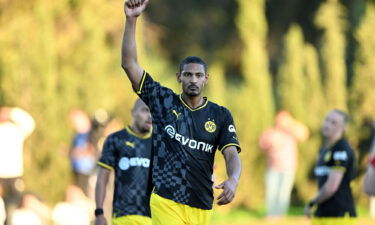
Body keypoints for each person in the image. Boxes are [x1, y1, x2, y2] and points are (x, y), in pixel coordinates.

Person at [121, 1, 242, 224]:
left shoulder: (220, 115)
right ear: (179, 77)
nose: (193, 80)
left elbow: (232, 154)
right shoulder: (163, 101)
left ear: (206, 79)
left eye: (198, 75)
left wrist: (233, 179)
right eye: (188, 75)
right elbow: (129, 64)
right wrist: (131, 20)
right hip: (165, 201)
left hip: (201, 205)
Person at [94, 99, 153, 225]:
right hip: (123, 216)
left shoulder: (159, 144)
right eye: (145, 110)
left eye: (153, 111)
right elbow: (102, 177)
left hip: (153, 218)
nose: (150, 116)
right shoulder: (116, 140)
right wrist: (99, 213)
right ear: (133, 112)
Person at [305, 109, 356, 225]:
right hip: (322, 213)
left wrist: (312, 203)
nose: (328, 125)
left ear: (343, 129)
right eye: (327, 120)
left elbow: (331, 187)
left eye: (334, 123)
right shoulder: (324, 149)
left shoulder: (341, 149)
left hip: (340, 215)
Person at [259, 111, 309, 218]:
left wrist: (291, 124)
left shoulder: (292, 133)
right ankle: (271, 214)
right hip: (272, 168)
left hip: (288, 168)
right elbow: (262, 144)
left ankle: (280, 215)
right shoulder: (271, 132)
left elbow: (304, 133)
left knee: (283, 193)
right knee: (272, 192)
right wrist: (270, 143)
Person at [0, 106, 35, 224]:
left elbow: (30, 123)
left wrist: (12, 112)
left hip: (14, 174)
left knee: (14, 207)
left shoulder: (15, 129)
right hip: (1, 175)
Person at [69, 109, 97, 196]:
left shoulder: (93, 132)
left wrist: (75, 152)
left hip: (89, 172)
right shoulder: (77, 135)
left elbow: (93, 151)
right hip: (78, 171)